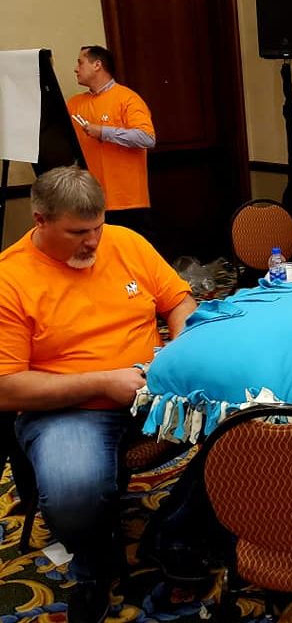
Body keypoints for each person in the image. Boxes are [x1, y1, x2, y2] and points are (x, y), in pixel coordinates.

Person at [0, 167, 196, 622]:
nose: (92, 243)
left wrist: (181, 345)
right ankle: (95, 563)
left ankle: (175, 529)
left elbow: (178, 299)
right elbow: (7, 388)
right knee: (73, 493)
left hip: (153, 387)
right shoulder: (11, 278)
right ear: (40, 221)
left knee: (252, 419)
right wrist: (103, 382)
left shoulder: (125, 242)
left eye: (97, 228)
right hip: (69, 407)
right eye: (77, 233)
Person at [68, 45, 156, 238]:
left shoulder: (127, 98)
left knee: (135, 261)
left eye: (80, 62)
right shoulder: (74, 104)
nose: (76, 68)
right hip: (91, 200)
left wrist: (103, 132)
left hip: (128, 201)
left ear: (97, 65)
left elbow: (147, 138)